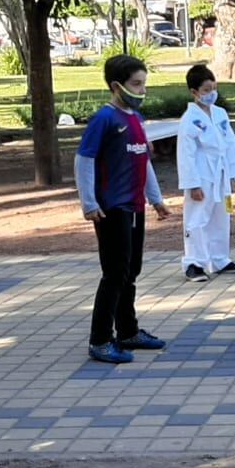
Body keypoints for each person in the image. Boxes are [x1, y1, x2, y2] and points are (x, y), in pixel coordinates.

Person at [74, 55, 171, 364]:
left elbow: (144, 161)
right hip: (111, 208)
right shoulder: (104, 119)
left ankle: (128, 332)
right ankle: (100, 340)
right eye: (136, 84)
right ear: (116, 86)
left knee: (131, 271)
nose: (142, 90)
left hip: (135, 206)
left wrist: (155, 199)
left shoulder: (136, 120)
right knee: (114, 273)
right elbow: (84, 160)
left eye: (144, 84)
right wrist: (89, 203)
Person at [178, 64, 235, 283]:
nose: (211, 94)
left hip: (221, 171)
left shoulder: (220, 113)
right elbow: (185, 153)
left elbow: (230, 142)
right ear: (194, 92)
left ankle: (219, 258)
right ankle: (194, 262)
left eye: (213, 88)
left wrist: (234, 173)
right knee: (197, 217)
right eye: (206, 90)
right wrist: (192, 184)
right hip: (202, 172)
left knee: (221, 215)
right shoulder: (190, 119)